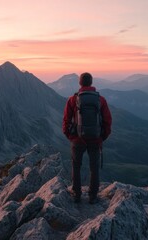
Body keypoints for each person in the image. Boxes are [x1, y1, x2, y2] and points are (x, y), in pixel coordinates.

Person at [62, 72, 112, 203]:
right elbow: (107, 121)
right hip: (95, 139)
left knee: (76, 166)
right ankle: (93, 196)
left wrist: (71, 136)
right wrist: (101, 137)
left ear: (80, 83)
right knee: (94, 168)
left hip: (77, 139)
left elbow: (66, 120)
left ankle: (77, 194)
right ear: (91, 83)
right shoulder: (100, 100)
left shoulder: (73, 99)